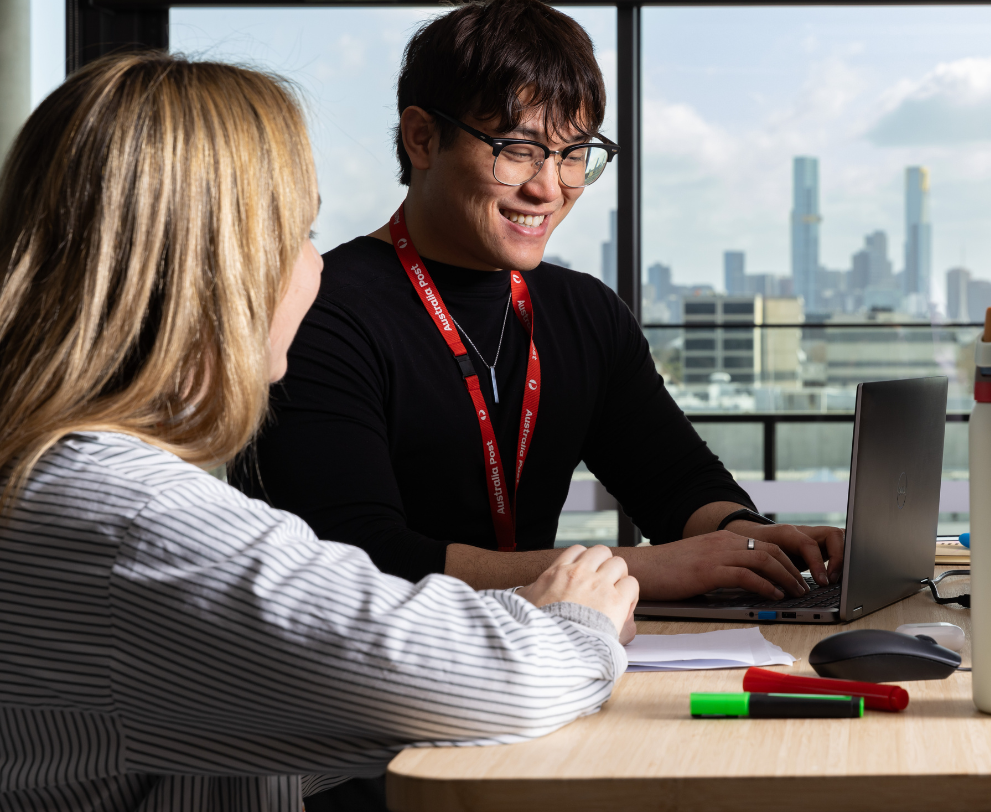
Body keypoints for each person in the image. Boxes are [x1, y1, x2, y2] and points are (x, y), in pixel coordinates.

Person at [0, 51, 638, 812]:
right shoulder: (138, 523)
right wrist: (580, 615)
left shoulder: (51, 481)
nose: (315, 265)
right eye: (302, 232)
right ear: (222, 270)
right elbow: (506, 684)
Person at [234, 0, 846, 604]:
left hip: (544, 652)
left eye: (574, 153)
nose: (549, 188)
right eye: (517, 149)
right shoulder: (316, 312)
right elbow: (358, 556)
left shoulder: (585, 313)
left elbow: (676, 482)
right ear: (422, 138)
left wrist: (752, 544)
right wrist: (642, 569)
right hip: (378, 670)